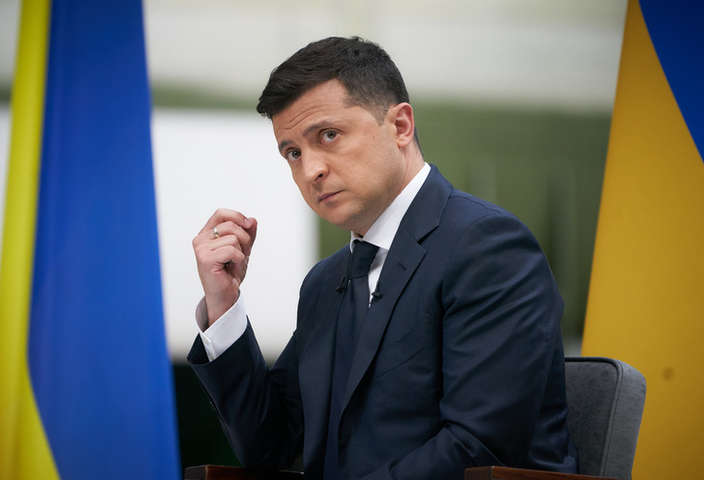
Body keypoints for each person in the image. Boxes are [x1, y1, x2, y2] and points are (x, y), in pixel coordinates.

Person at [188, 36, 578, 479]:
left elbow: (479, 448)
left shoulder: (488, 247)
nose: (311, 170)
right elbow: (271, 448)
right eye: (293, 153)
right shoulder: (325, 283)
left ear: (400, 126)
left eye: (329, 135)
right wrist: (223, 305)